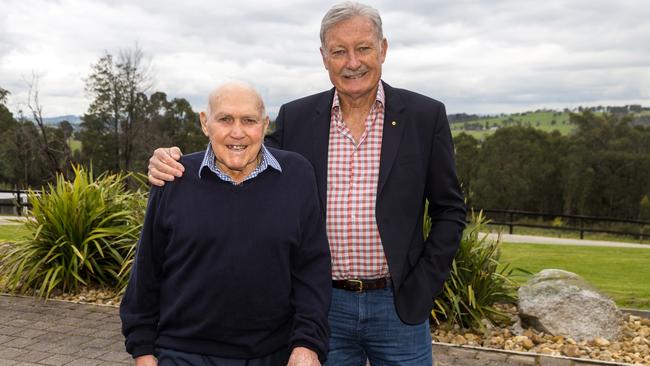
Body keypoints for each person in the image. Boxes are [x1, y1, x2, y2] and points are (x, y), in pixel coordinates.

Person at [148, 2, 466, 365]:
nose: (352, 61)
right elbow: (242, 156)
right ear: (323, 57)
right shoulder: (297, 118)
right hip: (319, 307)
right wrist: (174, 161)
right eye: (339, 51)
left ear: (383, 49)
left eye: (363, 48)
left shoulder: (424, 117)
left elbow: (450, 211)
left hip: (398, 307)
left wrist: (423, 285)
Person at [121, 81, 331, 366]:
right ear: (205, 123)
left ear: (265, 124)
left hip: (274, 354)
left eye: (249, 120)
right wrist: (143, 351)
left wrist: (308, 343)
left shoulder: (296, 176)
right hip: (184, 354)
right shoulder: (174, 178)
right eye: (225, 119)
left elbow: (312, 269)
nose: (237, 132)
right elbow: (147, 271)